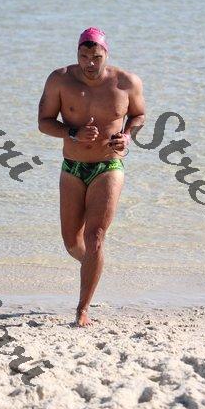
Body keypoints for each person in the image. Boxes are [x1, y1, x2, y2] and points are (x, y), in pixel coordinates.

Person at [38, 28, 146, 327]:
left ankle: (82, 308)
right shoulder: (60, 80)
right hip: (72, 167)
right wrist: (72, 132)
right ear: (77, 54)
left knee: (95, 236)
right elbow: (44, 122)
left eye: (96, 57)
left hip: (108, 166)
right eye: (83, 56)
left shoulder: (127, 82)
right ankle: (94, 266)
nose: (89, 63)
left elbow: (139, 114)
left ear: (106, 54)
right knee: (72, 242)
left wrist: (127, 135)